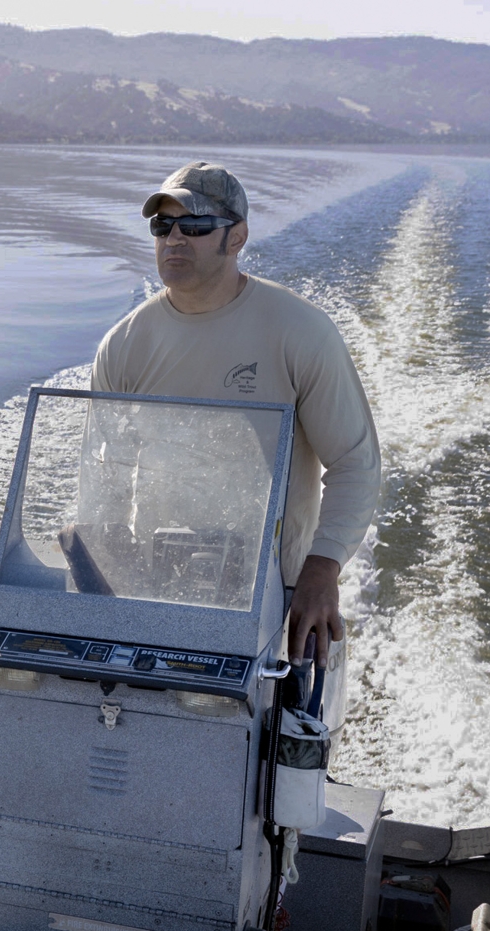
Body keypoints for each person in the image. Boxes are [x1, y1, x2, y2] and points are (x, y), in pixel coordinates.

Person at [91, 161, 381, 667]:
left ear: (237, 237)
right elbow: (106, 475)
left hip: (272, 595)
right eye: (163, 225)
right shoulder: (123, 346)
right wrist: (107, 559)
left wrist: (321, 570)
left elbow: (354, 463)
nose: (174, 238)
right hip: (156, 586)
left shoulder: (300, 332)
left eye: (195, 225)